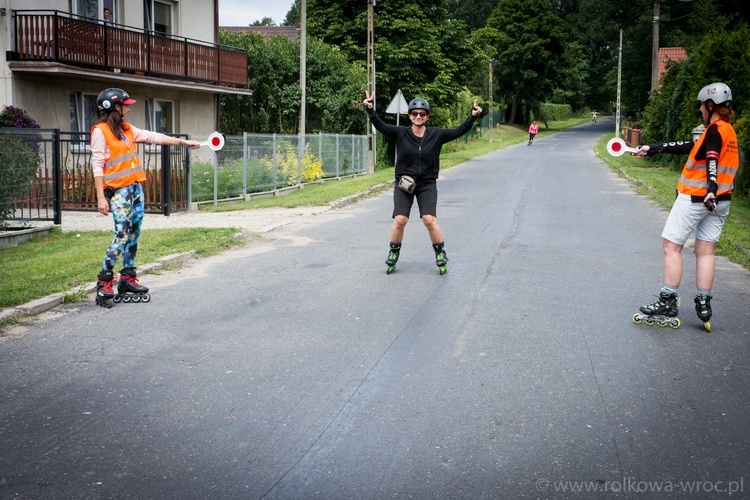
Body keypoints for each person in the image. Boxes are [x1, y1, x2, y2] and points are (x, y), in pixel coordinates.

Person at [635, 82, 738, 329]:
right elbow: (690, 147)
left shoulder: (713, 131)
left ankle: (667, 301)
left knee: (671, 246)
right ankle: (704, 303)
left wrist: (710, 190)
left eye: (702, 105)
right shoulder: (727, 131)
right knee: (706, 251)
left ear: (711, 105)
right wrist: (654, 148)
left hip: (698, 197)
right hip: (721, 201)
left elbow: (711, 159)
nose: (701, 110)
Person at [91, 88, 200, 307]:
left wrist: (182, 143)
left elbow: (153, 136)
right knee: (121, 235)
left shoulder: (126, 129)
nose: (129, 108)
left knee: (134, 233)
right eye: (126, 105)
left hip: (135, 189)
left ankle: (128, 278)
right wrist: (101, 197)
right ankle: (104, 282)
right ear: (114, 107)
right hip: (118, 192)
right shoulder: (100, 132)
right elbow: (97, 164)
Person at [362, 91, 482, 274]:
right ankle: (394, 251)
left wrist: (472, 117)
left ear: (427, 116)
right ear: (409, 116)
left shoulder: (437, 134)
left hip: (427, 183)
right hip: (404, 183)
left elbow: (459, 131)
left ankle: (440, 252)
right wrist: (370, 110)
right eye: (414, 113)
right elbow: (380, 125)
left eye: (422, 114)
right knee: (400, 220)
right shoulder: (400, 133)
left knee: (429, 219)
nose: (418, 116)